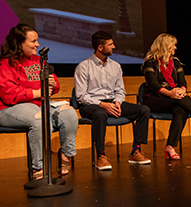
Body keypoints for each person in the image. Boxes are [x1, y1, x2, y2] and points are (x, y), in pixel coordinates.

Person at [0, 24, 78, 180]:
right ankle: (39, 167)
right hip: (10, 108)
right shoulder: (6, 64)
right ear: (20, 43)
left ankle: (65, 156)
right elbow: (9, 95)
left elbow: (52, 83)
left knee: (69, 113)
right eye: (33, 41)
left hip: (39, 104)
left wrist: (54, 84)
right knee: (40, 119)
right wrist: (36, 93)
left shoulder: (38, 60)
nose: (38, 44)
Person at [74, 31, 151, 170]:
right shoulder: (83, 67)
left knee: (143, 110)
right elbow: (81, 96)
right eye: (110, 44)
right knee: (100, 113)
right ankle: (101, 155)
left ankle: (135, 151)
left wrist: (117, 102)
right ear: (100, 47)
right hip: (91, 105)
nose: (114, 46)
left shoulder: (115, 66)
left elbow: (120, 90)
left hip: (112, 102)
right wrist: (102, 105)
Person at [141, 33, 191, 159]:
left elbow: (182, 82)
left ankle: (170, 146)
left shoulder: (175, 62)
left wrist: (182, 90)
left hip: (173, 98)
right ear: (166, 46)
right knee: (178, 100)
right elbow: (153, 84)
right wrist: (170, 93)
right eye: (173, 45)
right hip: (153, 98)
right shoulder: (150, 62)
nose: (175, 48)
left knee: (181, 110)